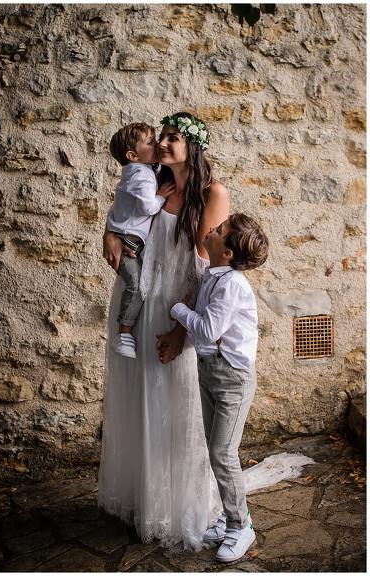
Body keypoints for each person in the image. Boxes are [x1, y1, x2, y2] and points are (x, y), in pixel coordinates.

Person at [98, 111, 230, 550]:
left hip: (177, 310)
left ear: (194, 146)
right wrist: (109, 234)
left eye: (174, 137)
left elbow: (209, 272)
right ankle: (145, 499)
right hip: (138, 304)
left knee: (177, 404)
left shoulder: (212, 194)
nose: (164, 142)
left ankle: (179, 504)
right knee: (140, 400)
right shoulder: (152, 178)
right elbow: (125, 213)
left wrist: (181, 331)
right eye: (163, 135)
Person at [170, 213, 269, 562]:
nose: (212, 228)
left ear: (227, 253)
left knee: (223, 454)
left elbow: (209, 330)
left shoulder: (232, 285)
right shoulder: (213, 275)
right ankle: (229, 518)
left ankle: (242, 526)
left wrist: (178, 309)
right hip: (209, 372)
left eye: (220, 230)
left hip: (232, 380)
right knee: (216, 451)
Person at [105, 122, 174, 358]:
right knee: (136, 286)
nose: (157, 144)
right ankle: (124, 334)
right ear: (133, 156)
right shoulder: (141, 176)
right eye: (150, 142)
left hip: (129, 240)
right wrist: (161, 197)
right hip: (127, 243)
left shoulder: (139, 170)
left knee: (139, 286)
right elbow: (147, 207)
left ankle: (126, 332)